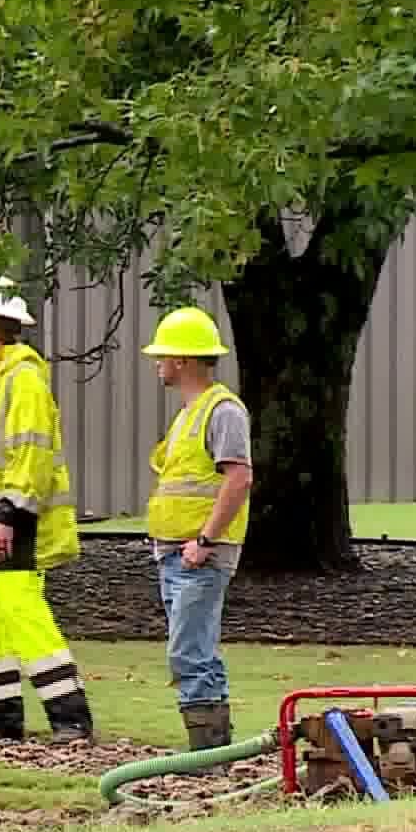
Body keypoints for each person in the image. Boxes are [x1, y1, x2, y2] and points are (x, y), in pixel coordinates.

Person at [0, 276, 93, 744]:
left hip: (5, 521)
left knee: (22, 611)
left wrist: (10, 515)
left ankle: (70, 717)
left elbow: (32, 456)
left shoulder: (22, 378)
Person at [141, 306, 253, 751]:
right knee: (192, 650)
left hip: (198, 554)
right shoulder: (192, 412)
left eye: (163, 355)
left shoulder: (222, 411)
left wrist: (205, 541)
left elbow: (239, 477)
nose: (158, 363)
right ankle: (213, 748)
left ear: (182, 360)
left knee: (190, 653)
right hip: (176, 552)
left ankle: (208, 753)